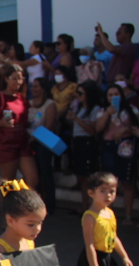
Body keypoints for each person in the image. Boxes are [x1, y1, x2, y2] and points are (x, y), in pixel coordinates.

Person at [0, 64, 38, 188]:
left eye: (20, 78)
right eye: (14, 78)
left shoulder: (21, 98)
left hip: (23, 142)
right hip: (6, 143)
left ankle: (23, 200)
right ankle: (7, 201)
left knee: (33, 180)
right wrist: (1, 123)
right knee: (8, 183)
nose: (18, 82)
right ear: (6, 79)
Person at [94, 83, 139, 224]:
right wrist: (107, 113)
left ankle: (128, 215)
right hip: (108, 145)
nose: (113, 97)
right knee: (108, 181)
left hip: (125, 146)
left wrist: (126, 130)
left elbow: (136, 126)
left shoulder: (131, 109)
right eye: (110, 95)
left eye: (116, 94)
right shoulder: (102, 111)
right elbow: (98, 128)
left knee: (127, 181)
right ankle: (108, 213)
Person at [66, 80, 103, 210]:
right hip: (77, 142)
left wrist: (76, 119)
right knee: (81, 176)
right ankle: (84, 206)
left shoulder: (95, 109)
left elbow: (93, 130)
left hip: (88, 143)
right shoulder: (80, 108)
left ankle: (90, 207)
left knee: (88, 177)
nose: (78, 95)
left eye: (81, 93)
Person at [28, 77, 58, 213]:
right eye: (32, 86)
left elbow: (49, 126)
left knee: (45, 172)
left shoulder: (50, 104)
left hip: (44, 142)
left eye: (36, 86)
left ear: (43, 88)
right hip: (29, 142)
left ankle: (49, 204)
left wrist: (34, 138)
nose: (33, 89)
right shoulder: (28, 103)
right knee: (34, 173)